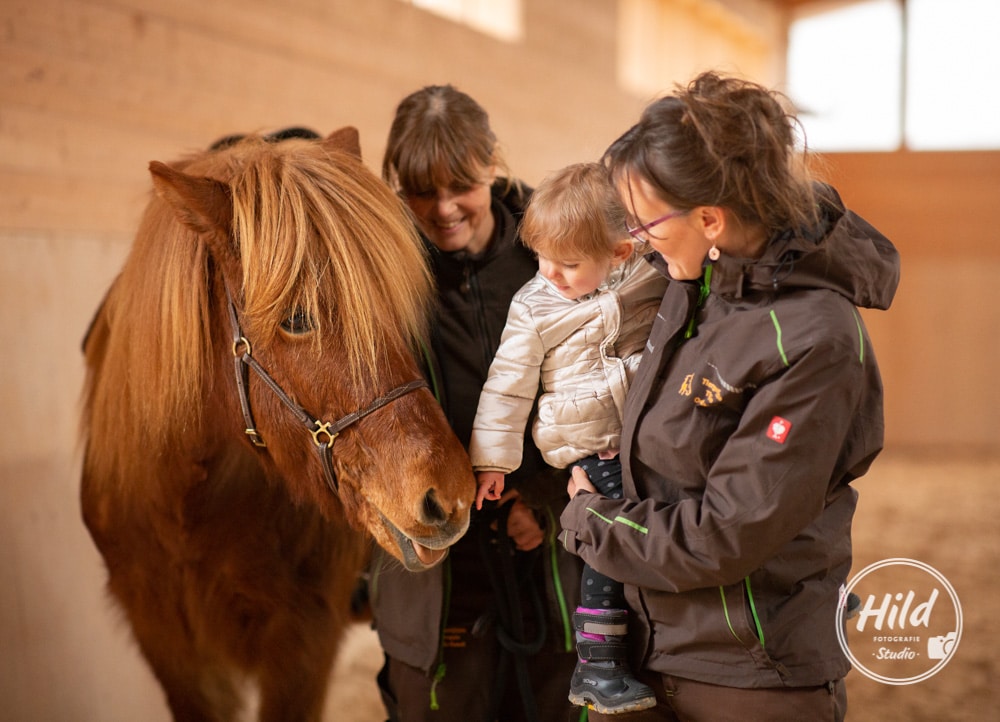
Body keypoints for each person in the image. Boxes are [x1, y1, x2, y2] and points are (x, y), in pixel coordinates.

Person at [558, 71, 900, 722]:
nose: (636, 236)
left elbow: (724, 534)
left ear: (711, 218)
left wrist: (588, 519)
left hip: (750, 679)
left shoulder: (815, 340)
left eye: (645, 220)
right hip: (657, 659)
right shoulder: (695, 287)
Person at [371, 84, 584, 722]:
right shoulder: (380, 270)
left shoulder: (560, 256)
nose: (442, 210)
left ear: (492, 163)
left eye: (460, 184)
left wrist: (545, 499)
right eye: (419, 191)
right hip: (435, 572)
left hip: (549, 562)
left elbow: (604, 398)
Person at [469, 162, 666, 715]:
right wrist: (493, 462)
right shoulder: (534, 305)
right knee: (605, 536)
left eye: (569, 263)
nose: (549, 273)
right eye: (541, 258)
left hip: (649, 435)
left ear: (619, 254)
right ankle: (597, 665)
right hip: (590, 441)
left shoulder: (651, 272)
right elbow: (505, 388)